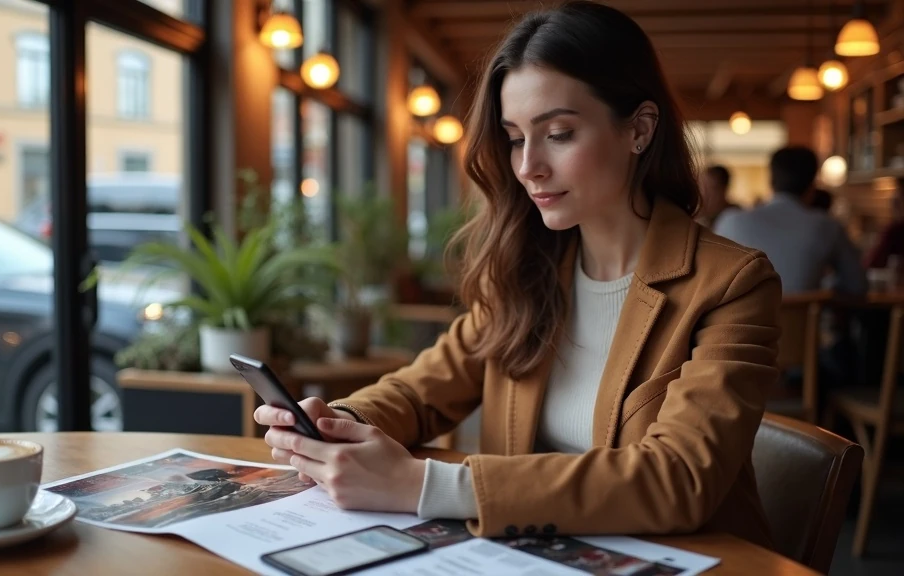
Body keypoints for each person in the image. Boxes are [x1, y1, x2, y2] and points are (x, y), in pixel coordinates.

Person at [255, 1, 780, 550]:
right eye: (514, 137)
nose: (529, 166)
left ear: (639, 130)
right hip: (537, 555)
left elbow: (678, 479)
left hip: (688, 558)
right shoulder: (528, 269)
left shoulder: (732, 284)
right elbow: (421, 391)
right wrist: (331, 424)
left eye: (558, 133)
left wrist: (421, 484)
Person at [714, 147, 866, 295]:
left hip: (740, 320)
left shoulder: (731, 221)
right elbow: (857, 285)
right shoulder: (827, 226)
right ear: (812, 186)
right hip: (804, 320)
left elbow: (713, 283)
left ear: (771, 181)